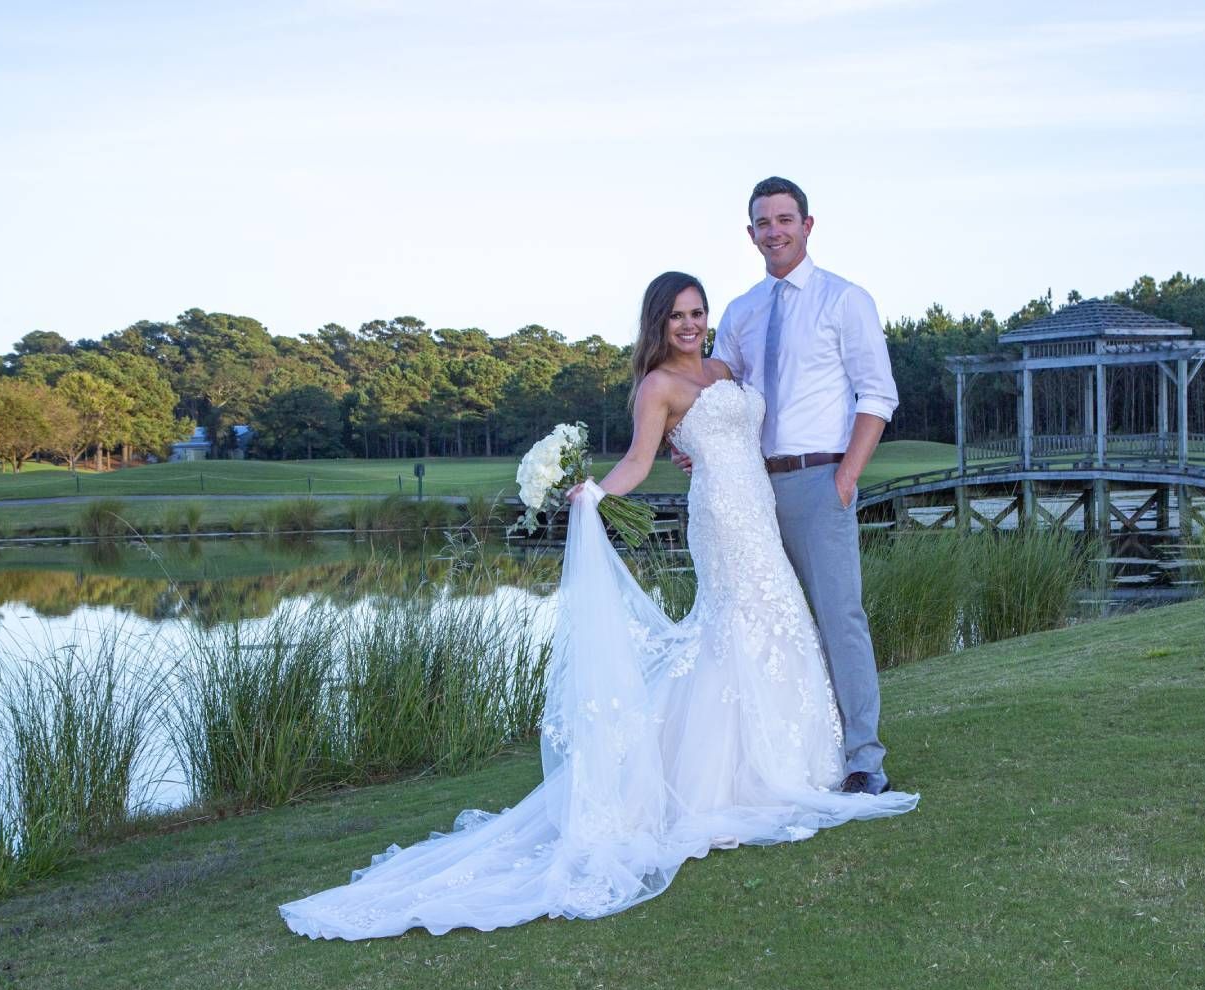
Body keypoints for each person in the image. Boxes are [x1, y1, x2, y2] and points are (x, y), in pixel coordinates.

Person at [279, 272, 917, 941]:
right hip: (725, 522)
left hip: (757, 505)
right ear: (658, 324)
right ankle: (731, 776)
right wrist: (595, 494)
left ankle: (804, 760)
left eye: (698, 312)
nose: (692, 325)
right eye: (678, 317)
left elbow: (753, 422)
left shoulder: (724, 366)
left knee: (780, 623)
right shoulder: (658, 387)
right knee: (738, 626)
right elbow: (642, 460)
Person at [695, 176, 898, 795]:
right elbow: (712, 387)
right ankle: (770, 756)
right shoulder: (740, 312)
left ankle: (864, 759)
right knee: (760, 621)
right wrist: (691, 438)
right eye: (763, 222)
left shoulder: (844, 300)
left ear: (808, 225)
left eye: (785, 219)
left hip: (820, 480)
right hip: (751, 491)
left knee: (840, 619)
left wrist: (845, 479)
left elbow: (878, 394)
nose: (774, 231)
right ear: (750, 232)